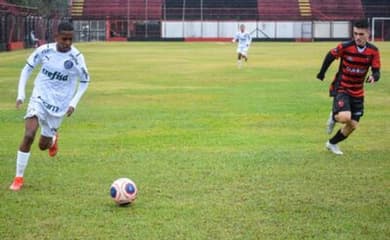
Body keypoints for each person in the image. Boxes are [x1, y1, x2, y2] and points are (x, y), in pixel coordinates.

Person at [10, 22, 90, 191]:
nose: (67, 43)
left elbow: (84, 81)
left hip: (59, 105)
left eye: (70, 39)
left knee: (42, 145)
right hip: (39, 98)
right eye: (64, 39)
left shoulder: (77, 58)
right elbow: (26, 70)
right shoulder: (44, 50)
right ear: (56, 37)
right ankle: (18, 178)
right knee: (29, 135)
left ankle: (52, 139)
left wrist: (73, 103)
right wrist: (21, 95)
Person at [316, 19, 381, 155]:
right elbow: (330, 55)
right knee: (345, 117)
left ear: (368, 33)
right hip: (342, 87)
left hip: (358, 91)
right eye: (355, 33)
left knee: (353, 125)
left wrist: (374, 77)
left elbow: (376, 71)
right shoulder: (345, 47)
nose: (357, 37)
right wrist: (322, 72)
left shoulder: (373, 51)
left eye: (361, 34)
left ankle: (332, 143)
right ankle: (334, 116)